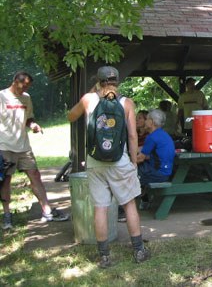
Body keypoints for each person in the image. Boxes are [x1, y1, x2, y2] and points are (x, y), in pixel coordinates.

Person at [67, 66, 150, 267]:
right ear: (117, 82)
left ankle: (104, 256)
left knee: (100, 208)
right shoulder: (127, 103)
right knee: (129, 204)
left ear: (99, 81)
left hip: (95, 161)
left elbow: (71, 116)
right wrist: (132, 161)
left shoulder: (89, 99)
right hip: (120, 161)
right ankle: (139, 250)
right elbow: (132, 135)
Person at [0, 71, 70, 230]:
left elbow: (28, 118)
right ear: (14, 81)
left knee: (35, 175)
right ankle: (7, 216)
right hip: (4, 146)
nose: (24, 89)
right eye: (22, 85)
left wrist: (33, 125)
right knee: (6, 180)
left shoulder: (26, 98)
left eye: (27, 86)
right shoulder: (2, 97)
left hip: (23, 146)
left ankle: (47, 211)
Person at [136, 109, 175, 209]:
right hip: (166, 172)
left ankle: (122, 209)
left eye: (147, 119)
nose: (145, 121)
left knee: (129, 175)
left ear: (152, 122)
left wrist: (124, 164)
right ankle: (144, 200)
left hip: (159, 174)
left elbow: (140, 158)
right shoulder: (162, 134)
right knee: (136, 170)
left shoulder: (152, 137)